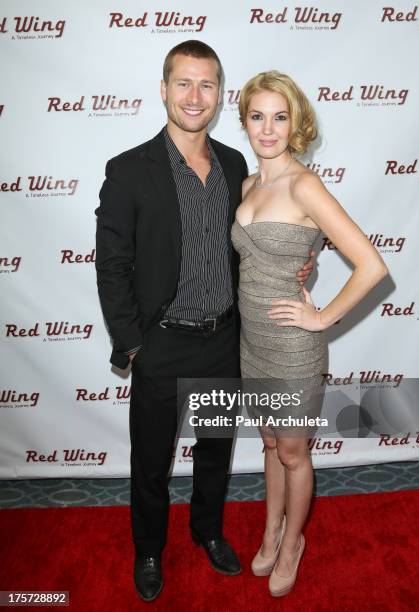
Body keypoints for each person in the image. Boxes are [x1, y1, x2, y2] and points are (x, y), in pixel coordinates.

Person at [95, 44, 314, 602]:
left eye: (208, 85)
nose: (195, 96)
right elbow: (112, 266)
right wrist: (133, 345)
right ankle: (148, 549)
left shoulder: (236, 165)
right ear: (164, 89)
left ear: (221, 95)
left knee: (215, 450)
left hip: (223, 339)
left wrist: (297, 263)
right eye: (184, 84)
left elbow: (251, 241)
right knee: (151, 461)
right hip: (161, 345)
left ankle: (208, 532)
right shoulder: (128, 171)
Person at [231, 70, 388, 597]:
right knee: (272, 444)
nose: (268, 130)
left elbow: (370, 265)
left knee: (295, 452)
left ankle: (293, 540)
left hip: (294, 348)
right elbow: (274, 255)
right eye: (257, 117)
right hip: (251, 343)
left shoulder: (304, 184)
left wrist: (321, 319)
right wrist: (307, 263)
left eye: (279, 117)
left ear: (295, 123)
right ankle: (271, 528)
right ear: (245, 122)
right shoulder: (251, 183)